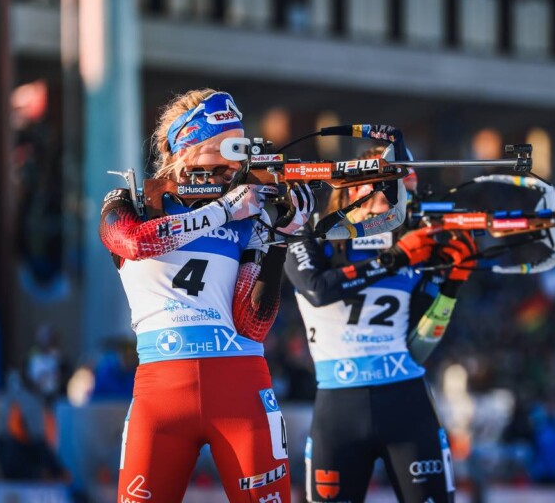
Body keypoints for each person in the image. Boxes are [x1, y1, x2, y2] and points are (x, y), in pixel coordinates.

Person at [99, 89, 313, 503]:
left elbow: (251, 324)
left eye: (240, 152)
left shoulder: (248, 214)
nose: (234, 167)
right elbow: (134, 242)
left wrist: (279, 238)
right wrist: (222, 212)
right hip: (160, 395)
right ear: (187, 147)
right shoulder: (136, 201)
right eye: (225, 151)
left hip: (241, 388)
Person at [285, 146, 475, 503]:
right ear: (355, 189)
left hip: (406, 401)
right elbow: (317, 289)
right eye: (395, 188)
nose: (404, 201)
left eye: (408, 191)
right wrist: (393, 259)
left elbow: (419, 345)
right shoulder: (312, 236)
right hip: (338, 407)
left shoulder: (413, 245)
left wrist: (450, 285)